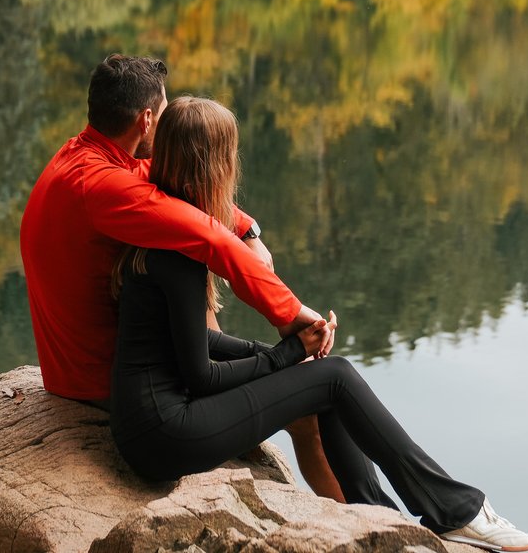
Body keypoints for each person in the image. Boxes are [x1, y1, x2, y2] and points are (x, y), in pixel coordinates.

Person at [108, 96, 528, 553]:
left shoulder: (160, 225)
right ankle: (457, 511)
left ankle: (383, 521)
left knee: (327, 384)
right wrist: (287, 355)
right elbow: (200, 374)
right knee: (336, 377)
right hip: (167, 434)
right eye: (231, 154)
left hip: (151, 427)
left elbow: (197, 340)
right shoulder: (181, 253)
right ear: (212, 165)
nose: (235, 163)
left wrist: (272, 352)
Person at [19, 54, 345, 496]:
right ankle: (352, 527)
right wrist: (291, 316)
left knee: (295, 380)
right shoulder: (103, 187)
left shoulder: (82, 159)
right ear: (146, 119)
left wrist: (248, 229)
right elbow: (206, 234)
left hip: (90, 368)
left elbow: (176, 186)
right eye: (166, 110)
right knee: (309, 413)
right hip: (108, 384)